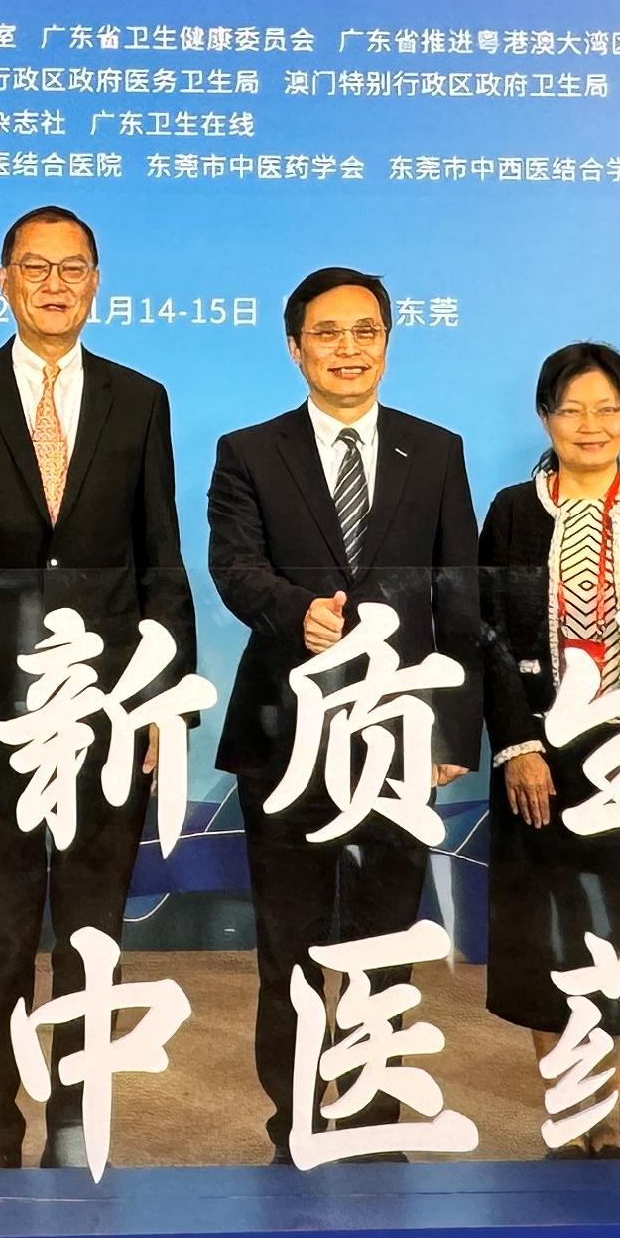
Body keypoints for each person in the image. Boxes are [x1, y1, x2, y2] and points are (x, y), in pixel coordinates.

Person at [0, 207, 195, 1168]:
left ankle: (75, 1121)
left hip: (106, 704)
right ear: (3, 280)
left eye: (73, 268)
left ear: (97, 280)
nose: (54, 283)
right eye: (36, 267)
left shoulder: (138, 398)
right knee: (1, 924)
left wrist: (164, 698)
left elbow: (162, 560)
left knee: (93, 926)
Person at [207, 268, 481, 1158]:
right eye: (328, 334)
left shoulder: (435, 451)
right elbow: (234, 566)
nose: (348, 350)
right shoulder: (249, 450)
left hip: (399, 733)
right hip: (285, 732)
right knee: (288, 941)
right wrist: (296, 613)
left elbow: (461, 597)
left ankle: (370, 1122)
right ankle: (294, 1122)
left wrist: (453, 728)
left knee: (384, 938)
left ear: (389, 343)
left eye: (366, 332)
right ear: (295, 348)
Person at [478, 342, 620, 1148]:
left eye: (608, 409)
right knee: (548, 932)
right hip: (540, 751)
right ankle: (575, 1109)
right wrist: (516, 747)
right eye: (572, 409)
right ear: (546, 417)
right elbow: (489, 636)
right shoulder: (510, 510)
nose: (591, 425)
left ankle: (616, 1110)